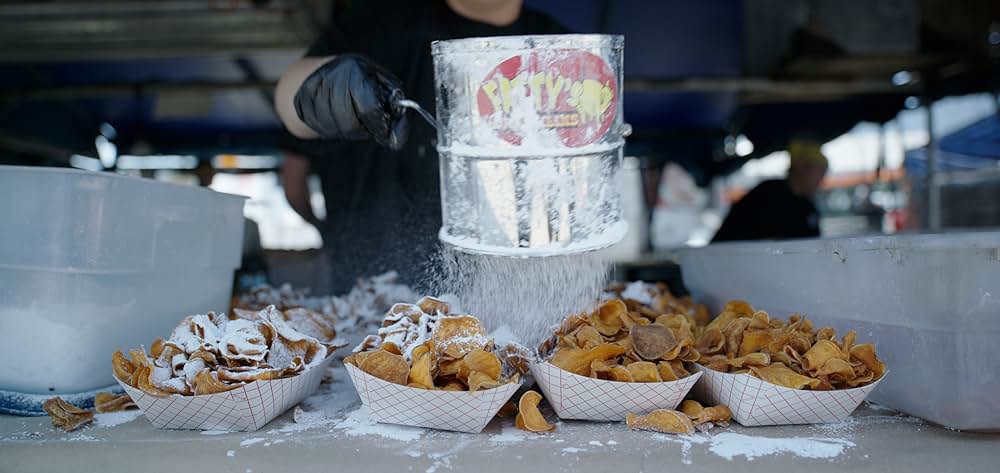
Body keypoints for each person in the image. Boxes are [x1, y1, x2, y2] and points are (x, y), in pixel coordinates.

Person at [274, 0, 567, 293]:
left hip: (523, 295)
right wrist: (316, 91)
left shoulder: (563, 50)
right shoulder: (379, 23)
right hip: (376, 303)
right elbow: (290, 95)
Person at [712, 140, 829, 242]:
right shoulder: (767, 196)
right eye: (819, 172)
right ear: (802, 167)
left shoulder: (808, 207)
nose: (820, 181)